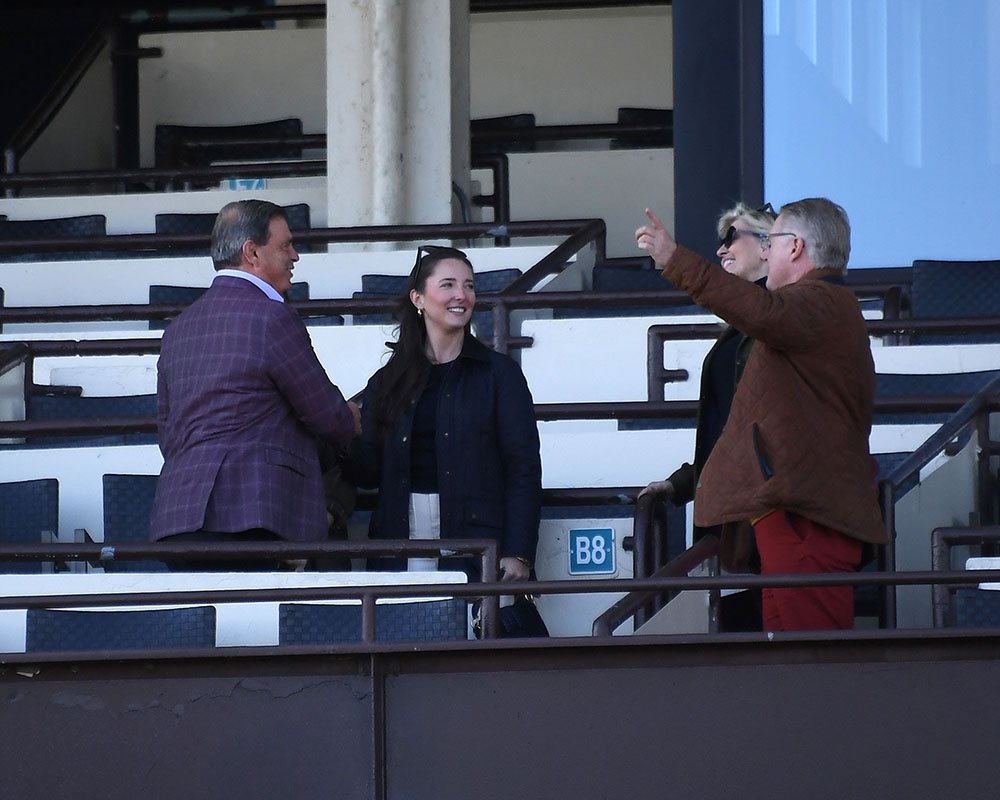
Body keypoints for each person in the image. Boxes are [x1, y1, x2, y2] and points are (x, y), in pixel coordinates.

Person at [636, 198, 886, 631]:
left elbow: (762, 313)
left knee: (809, 668)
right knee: (786, 667)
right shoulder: (811, 308)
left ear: (796, 248)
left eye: (771, 240)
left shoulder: (823, 303)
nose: (765, 251)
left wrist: (674, 259)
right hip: (793, 513)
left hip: (808, 517)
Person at [150, 199, 360, 570]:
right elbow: (328, 418)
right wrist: (352, 416)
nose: (295, 255)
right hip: (254, 517)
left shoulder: (177, 328)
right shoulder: (272, 316)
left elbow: (169, 437)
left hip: (178, 519)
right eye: (285, 245)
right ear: (252, 252)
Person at [347, 245, 542, 584]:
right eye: (448, 284)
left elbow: (523, 467)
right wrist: (344, 432)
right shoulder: (387, 381)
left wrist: (518, 551)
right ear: (418, 299)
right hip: (397, 540)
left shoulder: (501, 375)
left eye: (469, 285)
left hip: (477, 542)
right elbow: (368, 473)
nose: (462, 295)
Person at [639, 202, 776, 632]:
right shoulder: (740, 330)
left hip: (761, 518)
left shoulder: (779, 319)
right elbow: (727, 430)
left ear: (769, 245)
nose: (721, 250)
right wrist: (684, 481)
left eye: (731, 237)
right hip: (732, 515)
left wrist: (674, 257)